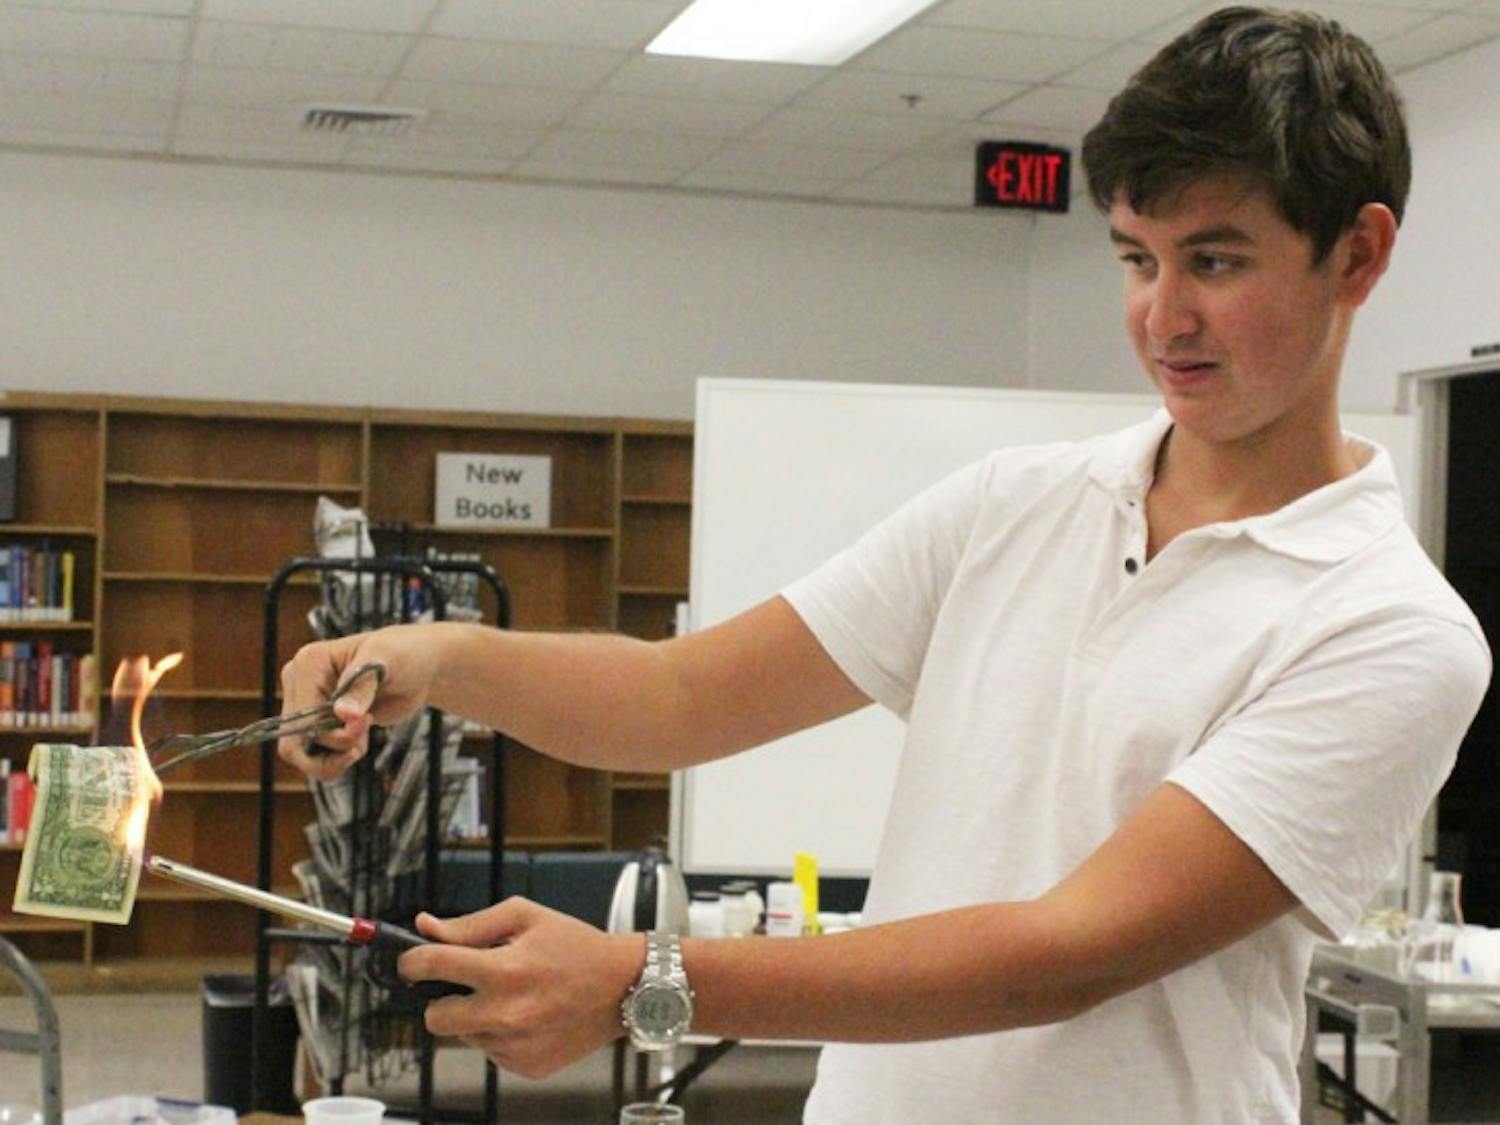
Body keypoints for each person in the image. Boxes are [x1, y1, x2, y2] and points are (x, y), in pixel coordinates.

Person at [278, 7, 1491, 1121]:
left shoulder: (1386, 629)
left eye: (1214, 262)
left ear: (1358, 256)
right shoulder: (1016, 505)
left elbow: (1068, 953)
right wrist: (435, 656)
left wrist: (647, 978)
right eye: (1135, 258)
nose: (1162, 317)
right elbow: (682, 697)